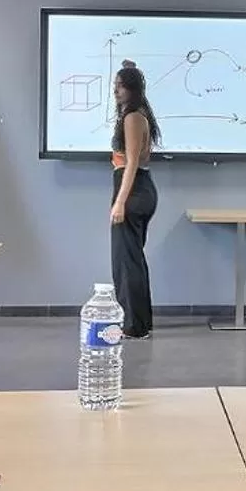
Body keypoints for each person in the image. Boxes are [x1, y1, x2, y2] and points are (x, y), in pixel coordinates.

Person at [109, 61, 161, 338]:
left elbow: (130, 162)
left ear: (132, 89)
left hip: (133, 189)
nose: (115, 91)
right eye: (115, 85)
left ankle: (133, 325)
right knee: (132, 259)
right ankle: (140, 322)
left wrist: (119, 202)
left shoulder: (132, 117)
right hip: (141, 189)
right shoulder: (139, 114)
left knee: (126, 261)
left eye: (120, 85)